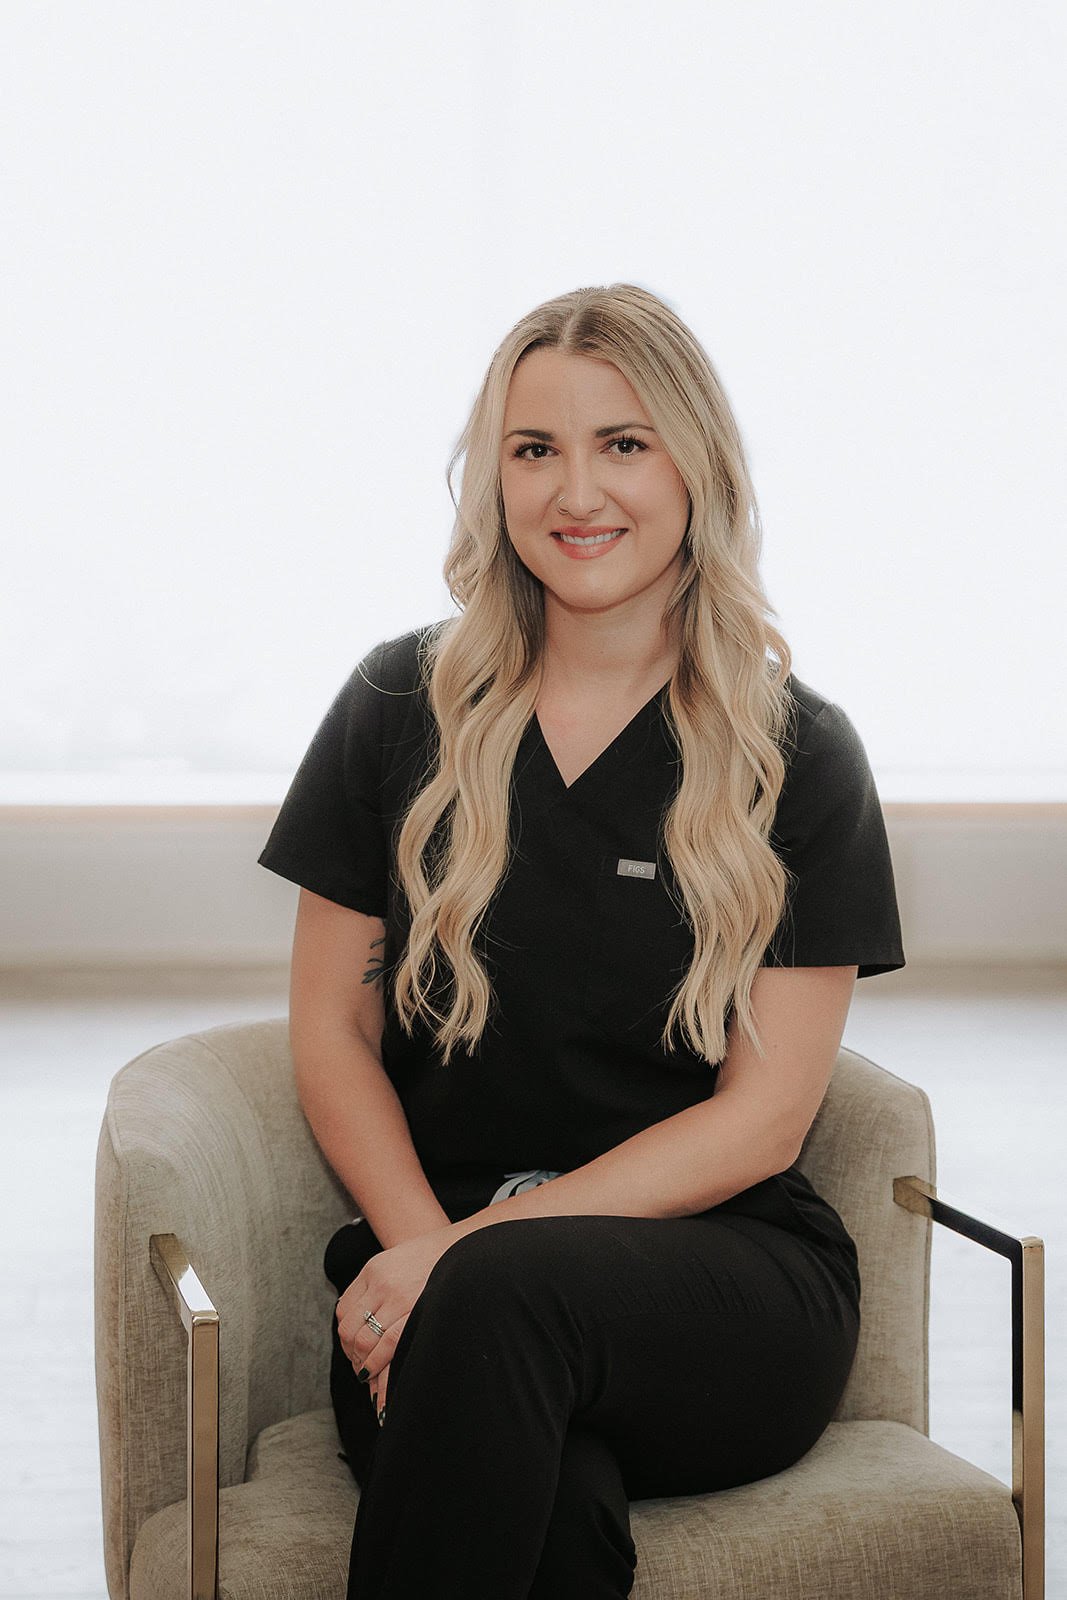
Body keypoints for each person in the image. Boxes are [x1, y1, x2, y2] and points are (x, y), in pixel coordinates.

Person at [257, 282, 905, 1599]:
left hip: (717, 1290)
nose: (575, 490)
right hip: (436, 1268)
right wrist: (425, 1241)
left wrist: (467, 1258)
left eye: (624, 443)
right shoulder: (396, 706)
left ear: (695, 467)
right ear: (491, 481)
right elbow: (332, 1028)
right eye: (534, 448)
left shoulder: (798, 754)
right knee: (550, 1522)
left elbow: (765, 1122)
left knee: (503, 1302)